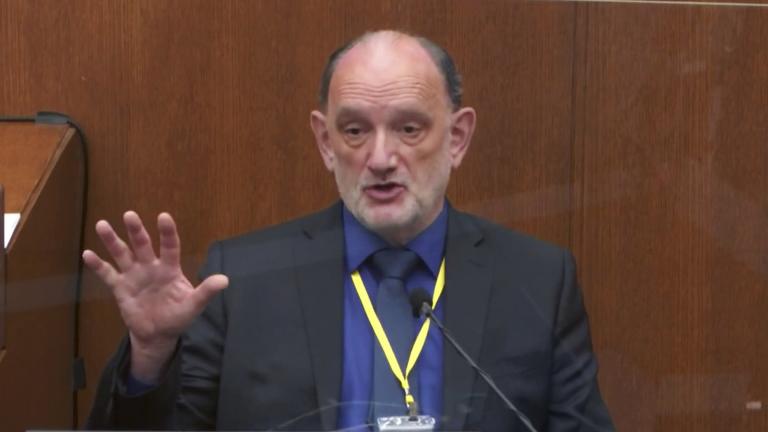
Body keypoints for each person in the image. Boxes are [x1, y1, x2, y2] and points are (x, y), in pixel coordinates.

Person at [84, 30, 614, 431]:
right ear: (324, 142)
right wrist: (150, 356)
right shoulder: (241, 281)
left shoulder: (537, 280)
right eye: (355, 130)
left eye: (409, 128)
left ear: (458, 137)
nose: (380, 158)